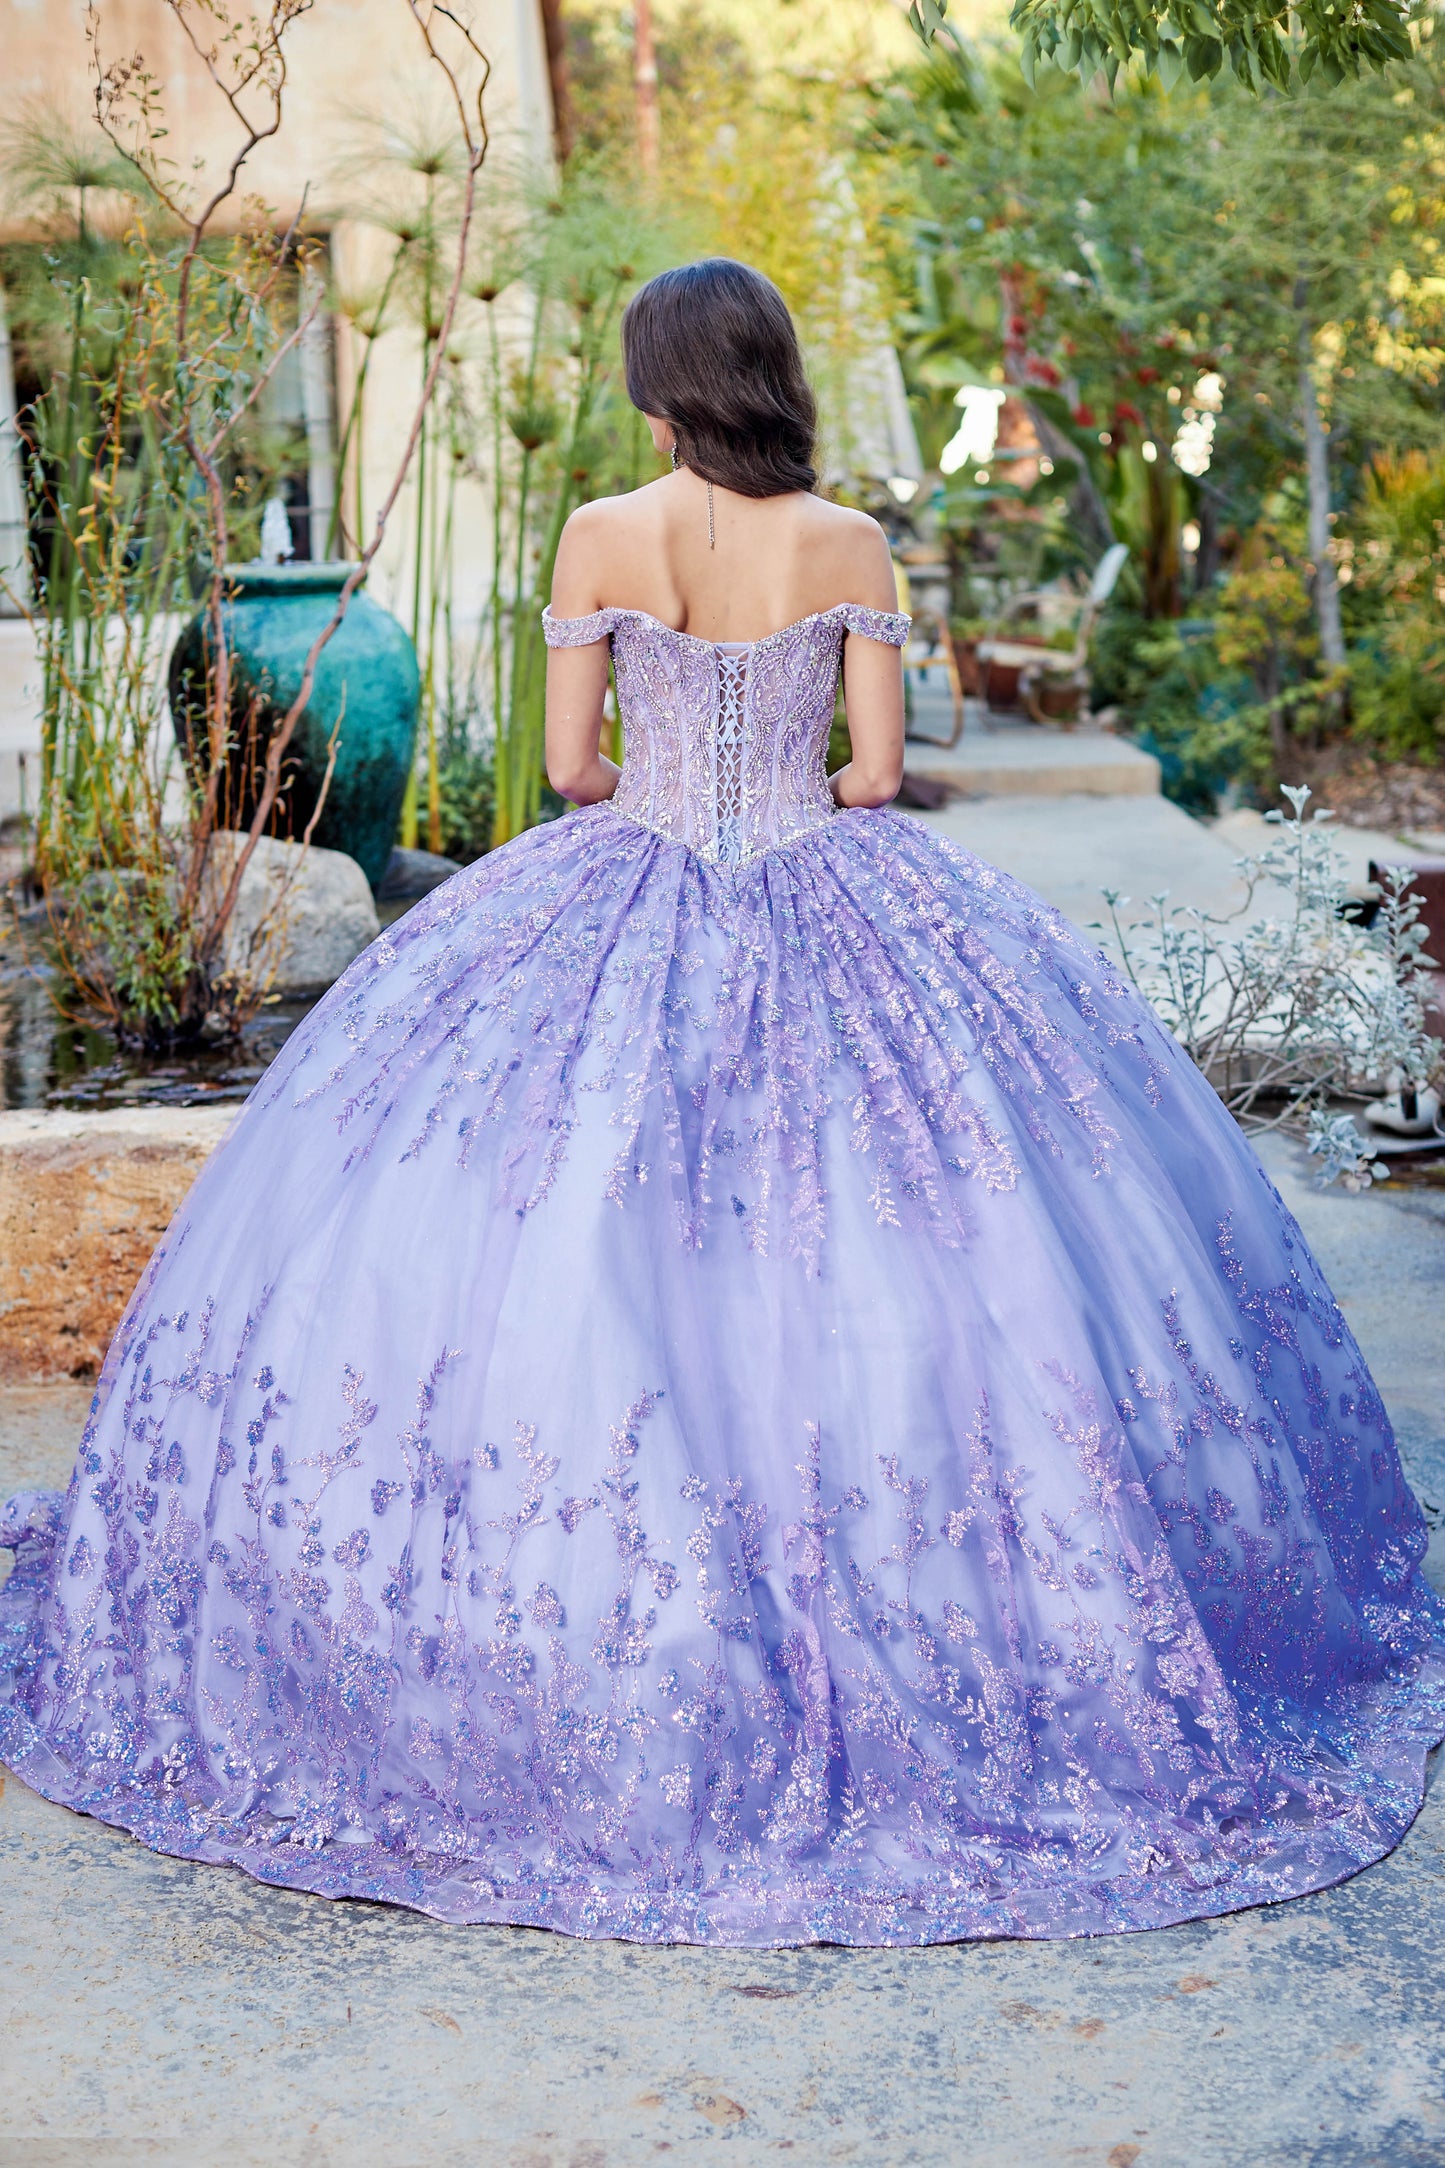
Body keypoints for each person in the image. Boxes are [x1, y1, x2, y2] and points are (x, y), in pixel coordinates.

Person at [1, 259, 1441, 1950]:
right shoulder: (846, 544)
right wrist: (787, 794)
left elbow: (566, 771)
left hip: (630, 869)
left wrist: (660, 792)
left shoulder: (602, 534)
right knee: (936, 1219)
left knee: (573, 1217)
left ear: (656, 381)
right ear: (767, 373)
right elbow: (881, 776)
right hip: (834, 874)